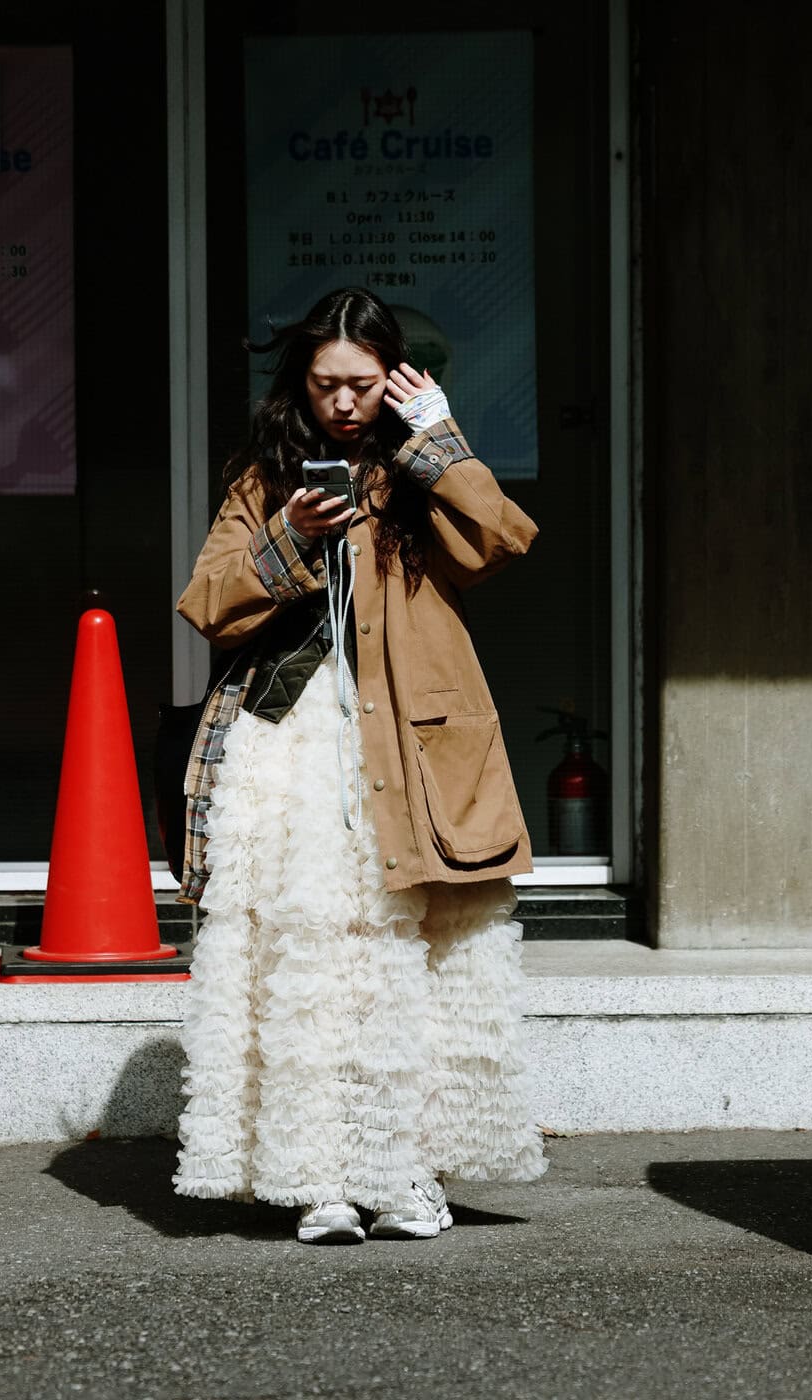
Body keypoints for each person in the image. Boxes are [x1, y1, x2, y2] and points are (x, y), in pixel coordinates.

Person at [170, 287, 546, 1244]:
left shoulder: (420, 469)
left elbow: (502, 543)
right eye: (326, 383)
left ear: (395, 379)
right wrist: (290, 534)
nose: (343, 402)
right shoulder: (267, 474)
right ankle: (320, 1178)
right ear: (302, 380)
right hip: (295, 746)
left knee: (416, 965)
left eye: (364, 384)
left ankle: (405, 1172)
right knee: (318, 963)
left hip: (413, 743)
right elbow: (208, 601)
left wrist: (439, 440)